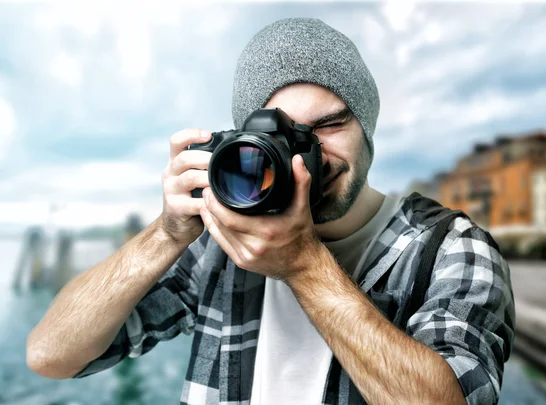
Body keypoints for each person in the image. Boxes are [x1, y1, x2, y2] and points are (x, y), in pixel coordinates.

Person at [27, 18, 515, 405]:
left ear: (367, 129)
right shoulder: (217, 245)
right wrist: (167, 233)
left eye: (329, 125)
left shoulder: (450, 249)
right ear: (246, 142)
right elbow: (51, 356)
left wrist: (304, 266)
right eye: (283, 138)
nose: (309, 158)